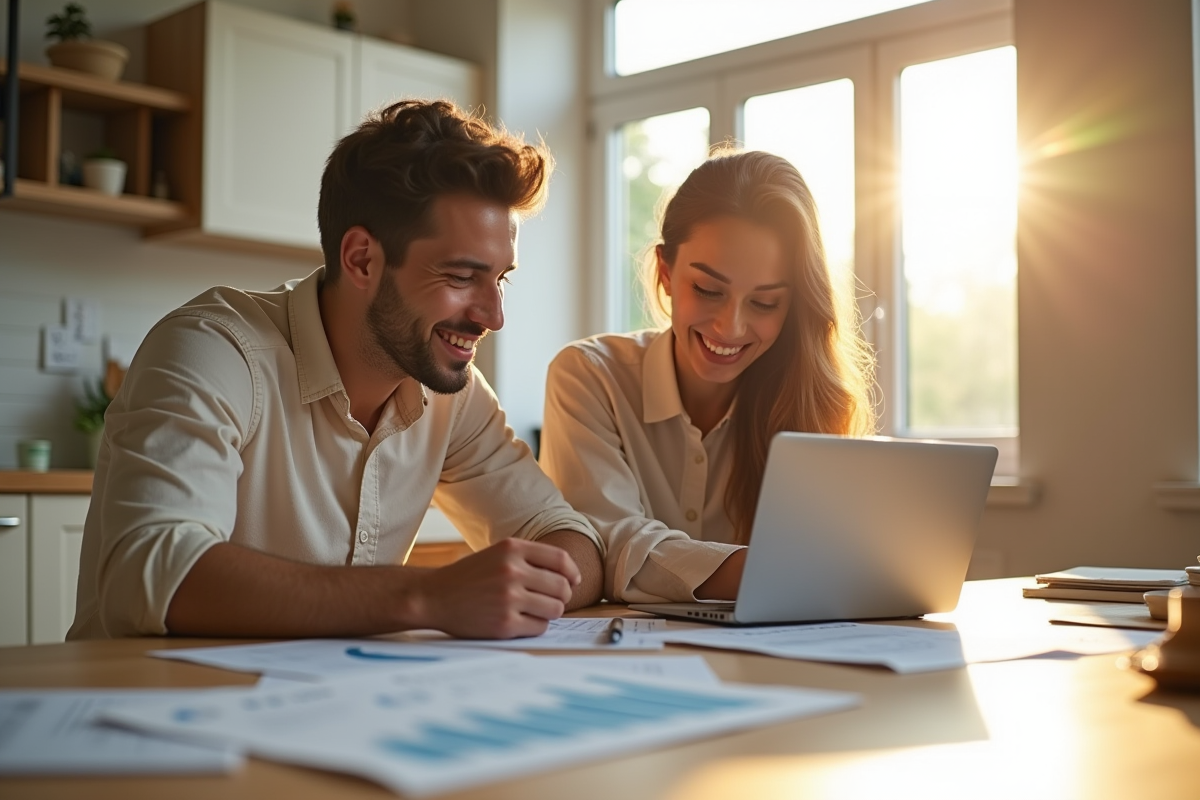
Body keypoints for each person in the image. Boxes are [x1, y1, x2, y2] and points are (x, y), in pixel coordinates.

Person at [69, 100, 604, 641]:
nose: (494, 316)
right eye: (463, 276)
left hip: (329, 709)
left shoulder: (451, 393)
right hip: (143, 710)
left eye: (501, 280)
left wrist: (526, 582)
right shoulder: (215, 350)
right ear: (362, 260)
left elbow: (568, 536)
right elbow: (152, 574)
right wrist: (428, 596)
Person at [540, 148, 874, 604]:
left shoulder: (809, 403)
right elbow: (606, 545)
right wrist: (770, 571)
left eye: (764, 302)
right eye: (708, 290)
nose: (730, 328)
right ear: (665, 272)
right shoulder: (590, 376)